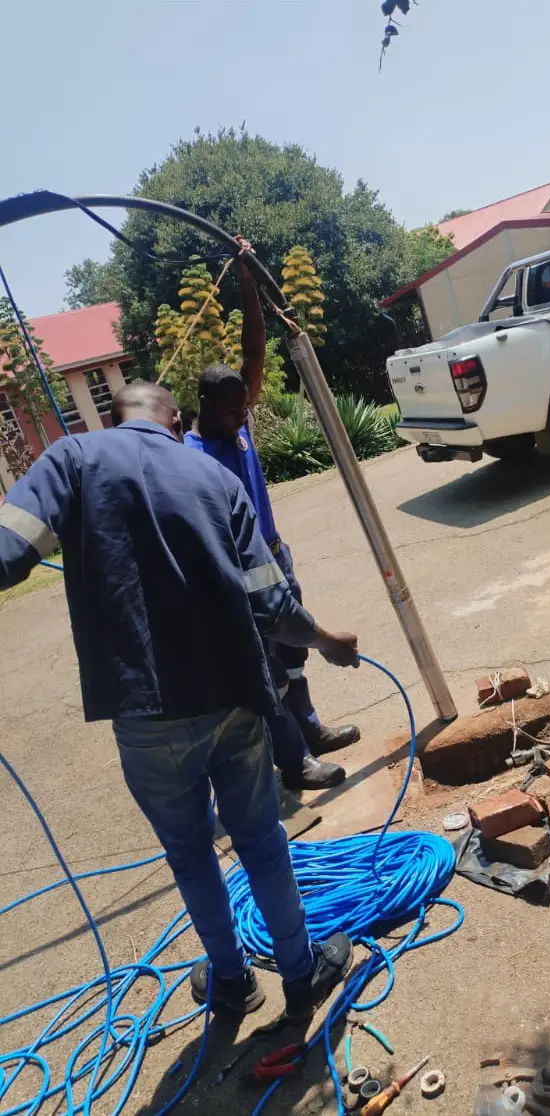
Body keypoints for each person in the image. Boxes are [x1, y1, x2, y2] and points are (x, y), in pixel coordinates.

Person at [0, 382, 358, 1018]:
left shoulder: (72, 459)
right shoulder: (214, 477)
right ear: (174, 420)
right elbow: (273, 607)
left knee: (190, 854)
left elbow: (8, 550)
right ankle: (301, 978)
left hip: (146, 713)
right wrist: (328, 640)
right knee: (261, 843)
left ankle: (232, 982)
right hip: (235, 700)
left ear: (115, 417)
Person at [183, 241, 359, 792]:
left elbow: (254, 353)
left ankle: (310, 731)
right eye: (235, 409)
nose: (244, 416)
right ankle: (293, 762)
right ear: (206, 405)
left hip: (275, 554)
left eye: (244, 406)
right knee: (270, 669)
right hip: (242, 576)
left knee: (295, 655)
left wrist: (246, 279)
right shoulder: (188, 456)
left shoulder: (234, 425)